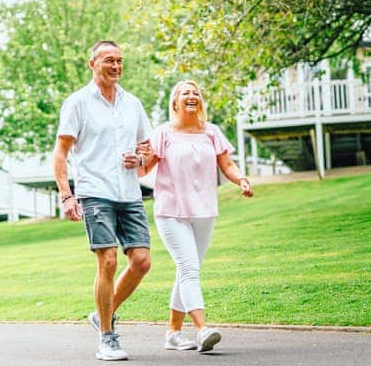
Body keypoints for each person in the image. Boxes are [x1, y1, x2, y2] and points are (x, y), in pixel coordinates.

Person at [52, 40, 153, 361]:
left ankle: (101, 316)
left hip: (129, 193)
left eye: (120, 61)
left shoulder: (132, 103)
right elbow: (61, 153)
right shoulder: (78, 103)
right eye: (110, 60)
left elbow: (147, 149)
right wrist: (66, 195)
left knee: (141, 261)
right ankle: (108, 337)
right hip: (95, 192)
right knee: (108, 260)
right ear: (92, 63)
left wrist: (138, 159)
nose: (116, 66)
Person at [138, 80, 253, 353]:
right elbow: (143, 171)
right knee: (189, 269)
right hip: (171, 211)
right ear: (175, 102)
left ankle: (173, 333)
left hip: (204, 211)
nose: (191, 96)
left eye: (195, 93)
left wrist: (242, 180)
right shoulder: (163, 133)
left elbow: (227, 164)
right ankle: (202, 330)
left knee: (188, 270)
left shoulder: (211, 132)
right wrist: (139, 158)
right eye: (185, 93)